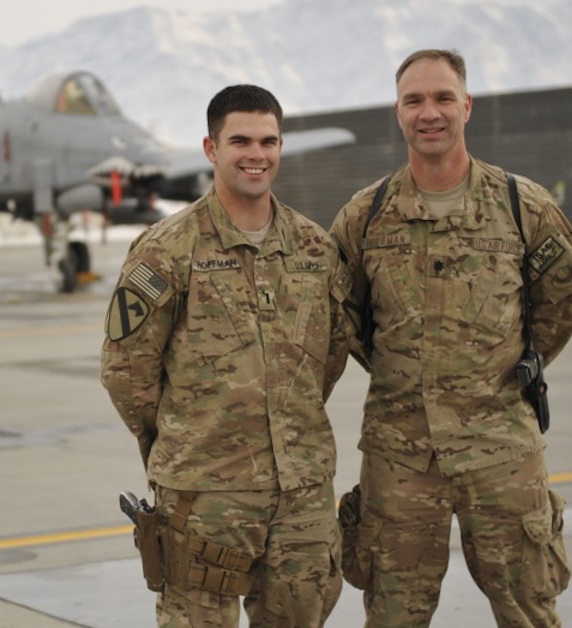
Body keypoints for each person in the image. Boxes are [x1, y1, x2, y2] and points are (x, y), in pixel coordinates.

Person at [328, 49, 572, 627]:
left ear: (466, 106)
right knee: (394, 614)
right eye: (414, 99)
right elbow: (342, 318)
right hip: (400, 458)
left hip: (502, 450)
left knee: (529, 610)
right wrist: (403, 370)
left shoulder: (525, 208)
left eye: (443, 97)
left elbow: (560, 302)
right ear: (396, 112)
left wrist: (507, 367)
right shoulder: (364, 217)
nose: (430, 112)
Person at [100, 84, 352, 627]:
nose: (255, 154)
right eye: (240, 140)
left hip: (301, 494)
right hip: (204, 496)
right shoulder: (168, 248)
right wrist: (180, 440)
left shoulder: (315, 248)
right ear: (212, 148)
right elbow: (126, 371)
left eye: (268, 141)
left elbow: (328, 358)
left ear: (280, 146)